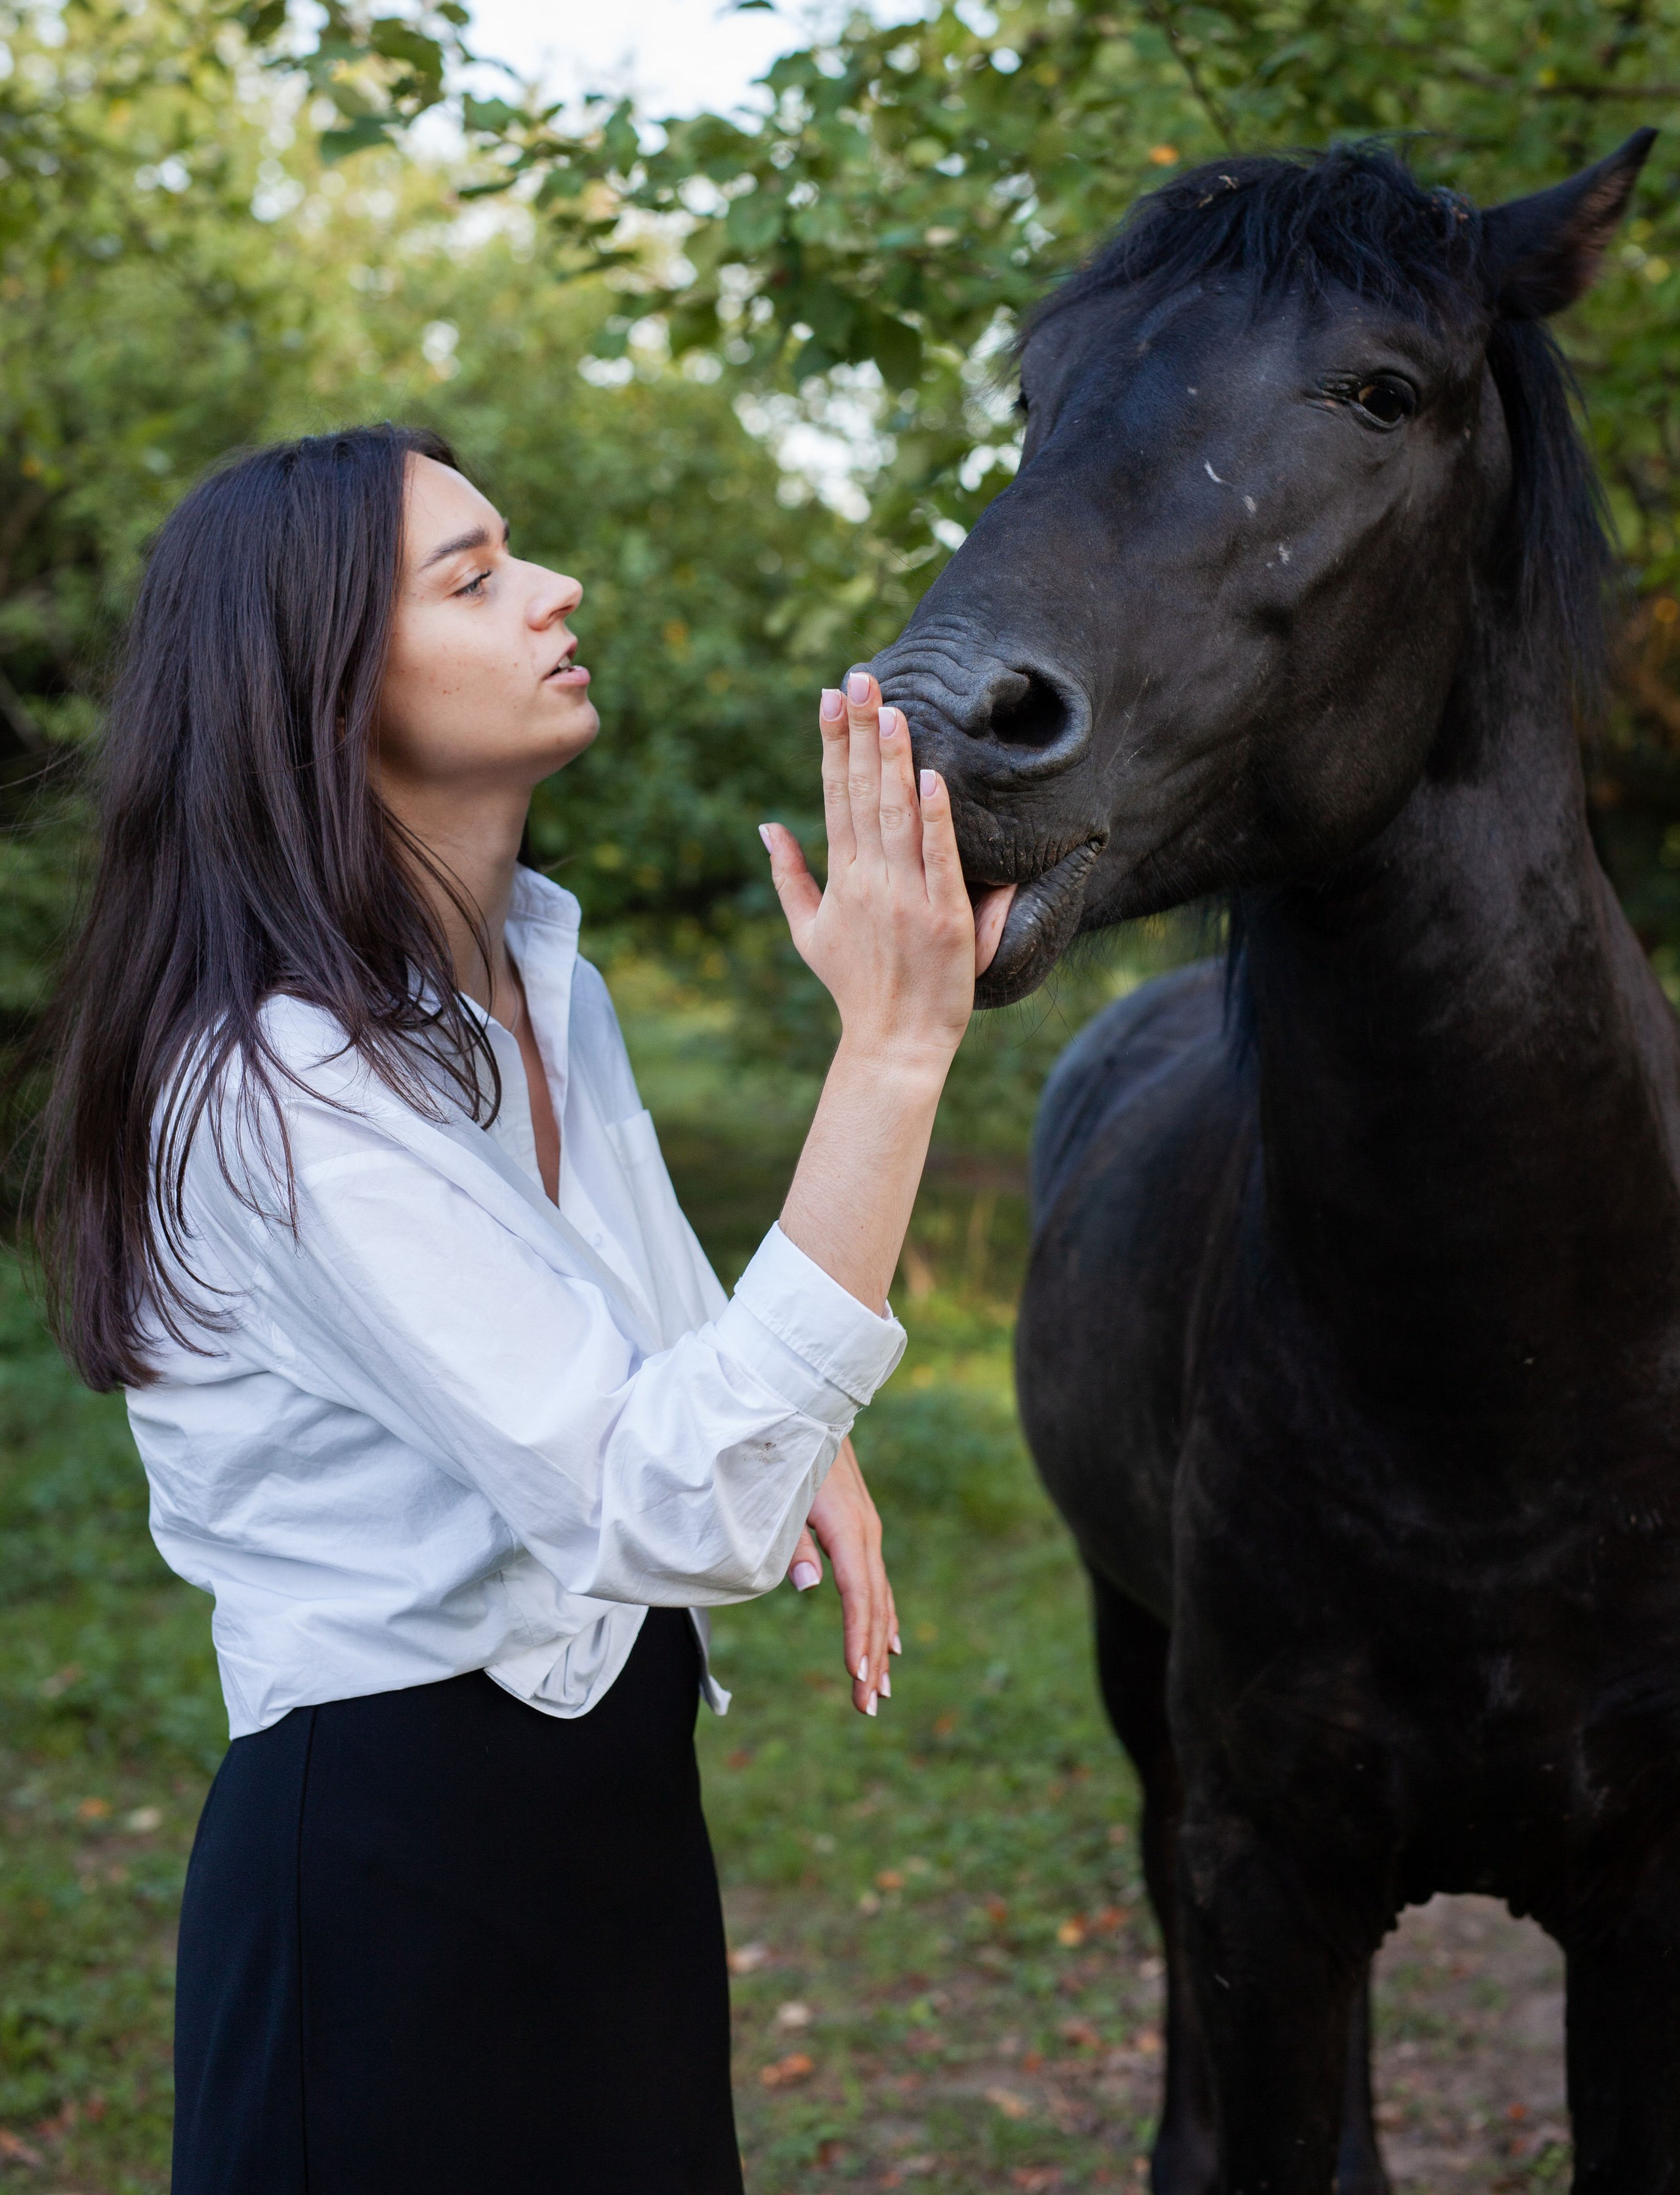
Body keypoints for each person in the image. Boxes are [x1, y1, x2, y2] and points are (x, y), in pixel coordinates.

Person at [28, 425, 1015, 2194]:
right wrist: (894, 1049)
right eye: (473, 579)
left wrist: (815, 1429)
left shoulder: (544, 986)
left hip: (613, 1828)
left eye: (522, 551)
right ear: (324, 687)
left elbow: (663, 1341)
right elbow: (672, 1489)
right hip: (391, 1871)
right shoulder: (276, 1089)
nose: (556, 591)